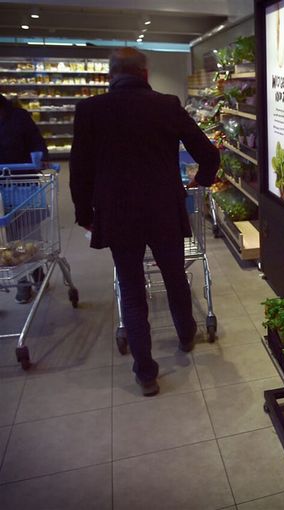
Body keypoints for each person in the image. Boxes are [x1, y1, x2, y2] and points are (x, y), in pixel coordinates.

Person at [70, 48, 219, 397]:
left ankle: (146, 372)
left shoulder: (90, 110)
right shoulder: (167, 105)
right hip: (164, 210)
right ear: (145, 73)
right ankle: (185, 336)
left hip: (118, 216)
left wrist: (84, 214)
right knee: (174, 277)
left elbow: (80, 170)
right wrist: (203, 180)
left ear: (111, 75)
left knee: (132, 290)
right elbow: (208, 153)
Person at [0, 93, 49, 304]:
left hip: (24, 183)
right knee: (10, 237)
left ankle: (35, 270)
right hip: (1, 190)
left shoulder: (19, 118)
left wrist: (38, 158)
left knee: (29, 232)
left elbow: (38, 144)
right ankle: (23, 280)